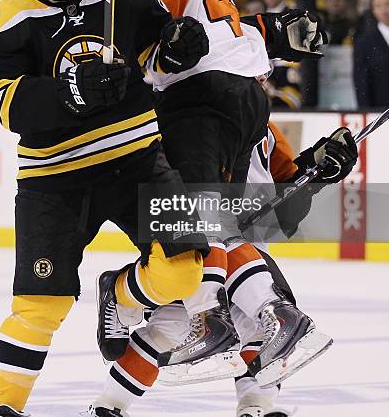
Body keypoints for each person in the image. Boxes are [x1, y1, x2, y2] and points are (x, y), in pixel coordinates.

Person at [83, 0, 330, 417]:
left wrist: (108, 64)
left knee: (199, 245)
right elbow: (225, 33)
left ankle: (251, 322)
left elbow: (153, 27)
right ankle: (120, 401)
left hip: (197, 101)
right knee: (204, 243)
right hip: (240, 98)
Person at [0, 0, 211, 417]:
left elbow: (155, 55)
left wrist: (177, 48)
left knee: (182, 273)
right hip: (54, 177)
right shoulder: (4, 22)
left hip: (139, 159)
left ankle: (119, 292)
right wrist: (71, 94)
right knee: (42, 306)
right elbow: (6, 107)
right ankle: (6, 407)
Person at [85, 119, 356, 417]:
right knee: (173, 325)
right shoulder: (185, 114)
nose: (262, 75)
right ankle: (108, 405)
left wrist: (314, 175)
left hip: (245, 251)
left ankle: (256, 408)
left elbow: (284, 213)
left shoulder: (267, 132)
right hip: (198, 241)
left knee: (259, 325)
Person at [353, 0, 389, 108]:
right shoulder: (364, 42)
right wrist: (365, 112)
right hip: (379, 112)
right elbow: (361, 81)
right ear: (373, 10)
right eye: (379, 6)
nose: (384, 10)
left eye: (388, 4)